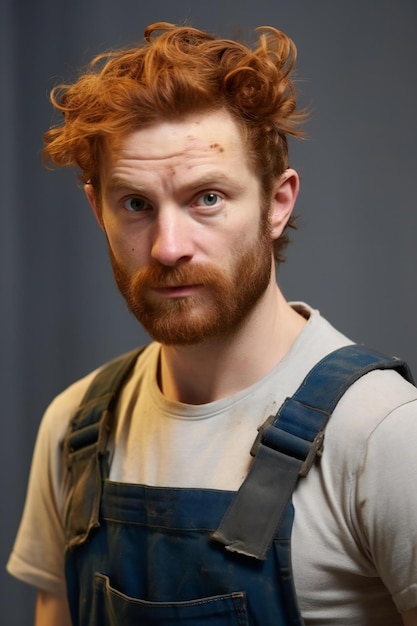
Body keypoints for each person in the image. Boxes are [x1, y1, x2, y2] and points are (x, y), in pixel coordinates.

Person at [6, 21, 417, 626]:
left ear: (277, 204)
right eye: (137, 205)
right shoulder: (73, 429)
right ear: (98, 210)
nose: (170, 247)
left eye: (207, 198)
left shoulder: (383, 434)